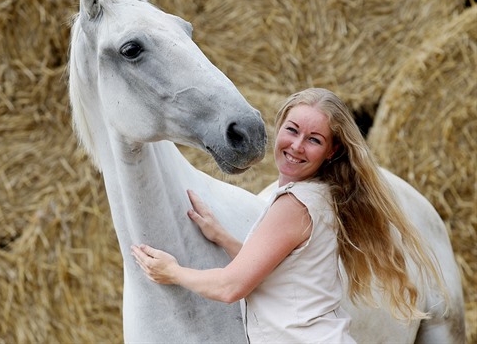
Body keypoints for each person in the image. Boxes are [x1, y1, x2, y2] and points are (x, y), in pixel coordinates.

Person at [131, 87, 443, 343]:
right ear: (279, 127)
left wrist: (171, 272)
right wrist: (223, 237)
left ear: (331, 151)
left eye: (314, 140)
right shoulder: (320, 194)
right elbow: (279, 275)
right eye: (291, 130)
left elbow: (230, 287)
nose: (296, 146)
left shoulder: (295, 205)